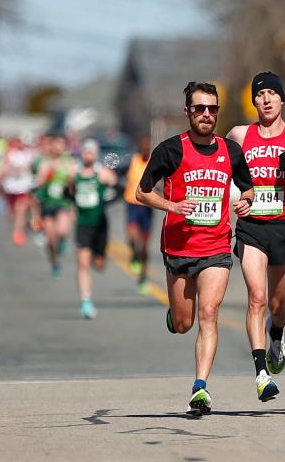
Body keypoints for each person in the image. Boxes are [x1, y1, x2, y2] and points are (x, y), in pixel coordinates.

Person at [135, 81, 254, 416]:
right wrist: (172, 206)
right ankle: (175, 314)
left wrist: (245, 201)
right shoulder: (170, 150)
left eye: (212, 109)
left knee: (209, 313)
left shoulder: (230, 152)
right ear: (187, 111)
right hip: (178, 247)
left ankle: (200, 387)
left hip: (216, 246)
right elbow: (141, 193)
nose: (206, 114)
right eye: (199, 108)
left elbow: (248, 189)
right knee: (186, 322)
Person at [225, 72, 285, 402]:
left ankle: (276, 335)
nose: (266, 99)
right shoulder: (239, 134)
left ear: (282, 100)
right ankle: (261, 373)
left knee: (278, 303)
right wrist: (235, 201)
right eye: (260, 94)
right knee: (257, 298)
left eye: (271, 94)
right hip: (252, 228)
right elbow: (222, 169)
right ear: (253, 101)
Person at [71, 139, 118, 319]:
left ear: (96, 154)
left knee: (99, 264)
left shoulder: (102, 173)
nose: (88, 155)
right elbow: (69, 191)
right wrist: (73, 206)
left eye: (91, 152)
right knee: (82, 263)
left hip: (100, 223)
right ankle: (86, 301)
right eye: (85, 151)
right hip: (83, 223)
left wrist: (107, 198)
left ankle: (99, 254)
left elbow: (118, 187)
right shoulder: (74, 172)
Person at [36, 134, 77, 279]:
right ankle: (54, 262)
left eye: (61, 145)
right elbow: (38, 182)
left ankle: (62, 242)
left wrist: (69, 179)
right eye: (55, 145)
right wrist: (47, 175)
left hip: (63, 203)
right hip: (48, 204)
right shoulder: (45, 162)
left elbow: (74, 184)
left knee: (62, 231)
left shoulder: (69, 163)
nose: (58, 148)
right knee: (50, 239)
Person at [123, 136, 154, 293]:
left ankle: (143, 278)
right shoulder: (133, 161)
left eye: (149, 148)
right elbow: (121, 175)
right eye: (144, 147)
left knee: (145, 248)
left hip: (147, 207)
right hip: (132, 204)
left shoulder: (154, 163)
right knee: (132, 237)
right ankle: (134, 255)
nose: (146, 150)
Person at [0, 137, 36, 246]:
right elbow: (4, 170)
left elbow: (31, 168)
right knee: (12, 214)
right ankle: (18, 227)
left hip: (23, 188)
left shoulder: (29, 154)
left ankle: (18, 233)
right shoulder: (10, 154)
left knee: (21, 210)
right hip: (11, 188)